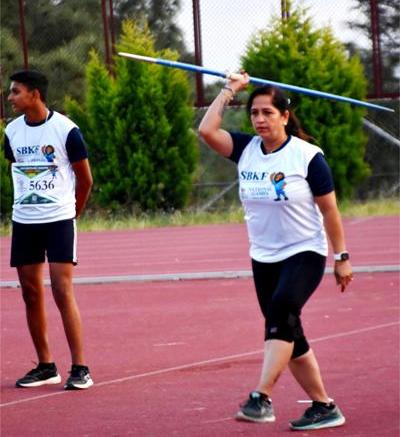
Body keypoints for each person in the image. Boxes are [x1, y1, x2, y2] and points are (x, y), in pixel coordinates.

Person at [199, 73, 353, 431]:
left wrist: (341, 257)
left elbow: (330, 210)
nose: (259, 119)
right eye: (254, 113)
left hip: (304, 252)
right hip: (264, 257)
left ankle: (261, 396)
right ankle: (324, 405)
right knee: (287, 331)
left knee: (282, 310)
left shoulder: (308, 158)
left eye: (267, 112)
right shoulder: (245, 150)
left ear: (285, 116)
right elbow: (207, 131)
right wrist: (229, 90)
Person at [4, 69, 94, 390]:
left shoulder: (66, 130)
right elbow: (17, 172)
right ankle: (46, 366)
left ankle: (80, 367)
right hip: (24, 221)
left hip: (58, 220)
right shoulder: (12, 132)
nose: (10, 97)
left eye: (15, 91)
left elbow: (85, 180)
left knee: (60, 289)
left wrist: (72, 213)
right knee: (30, 293)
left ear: (35, 94)